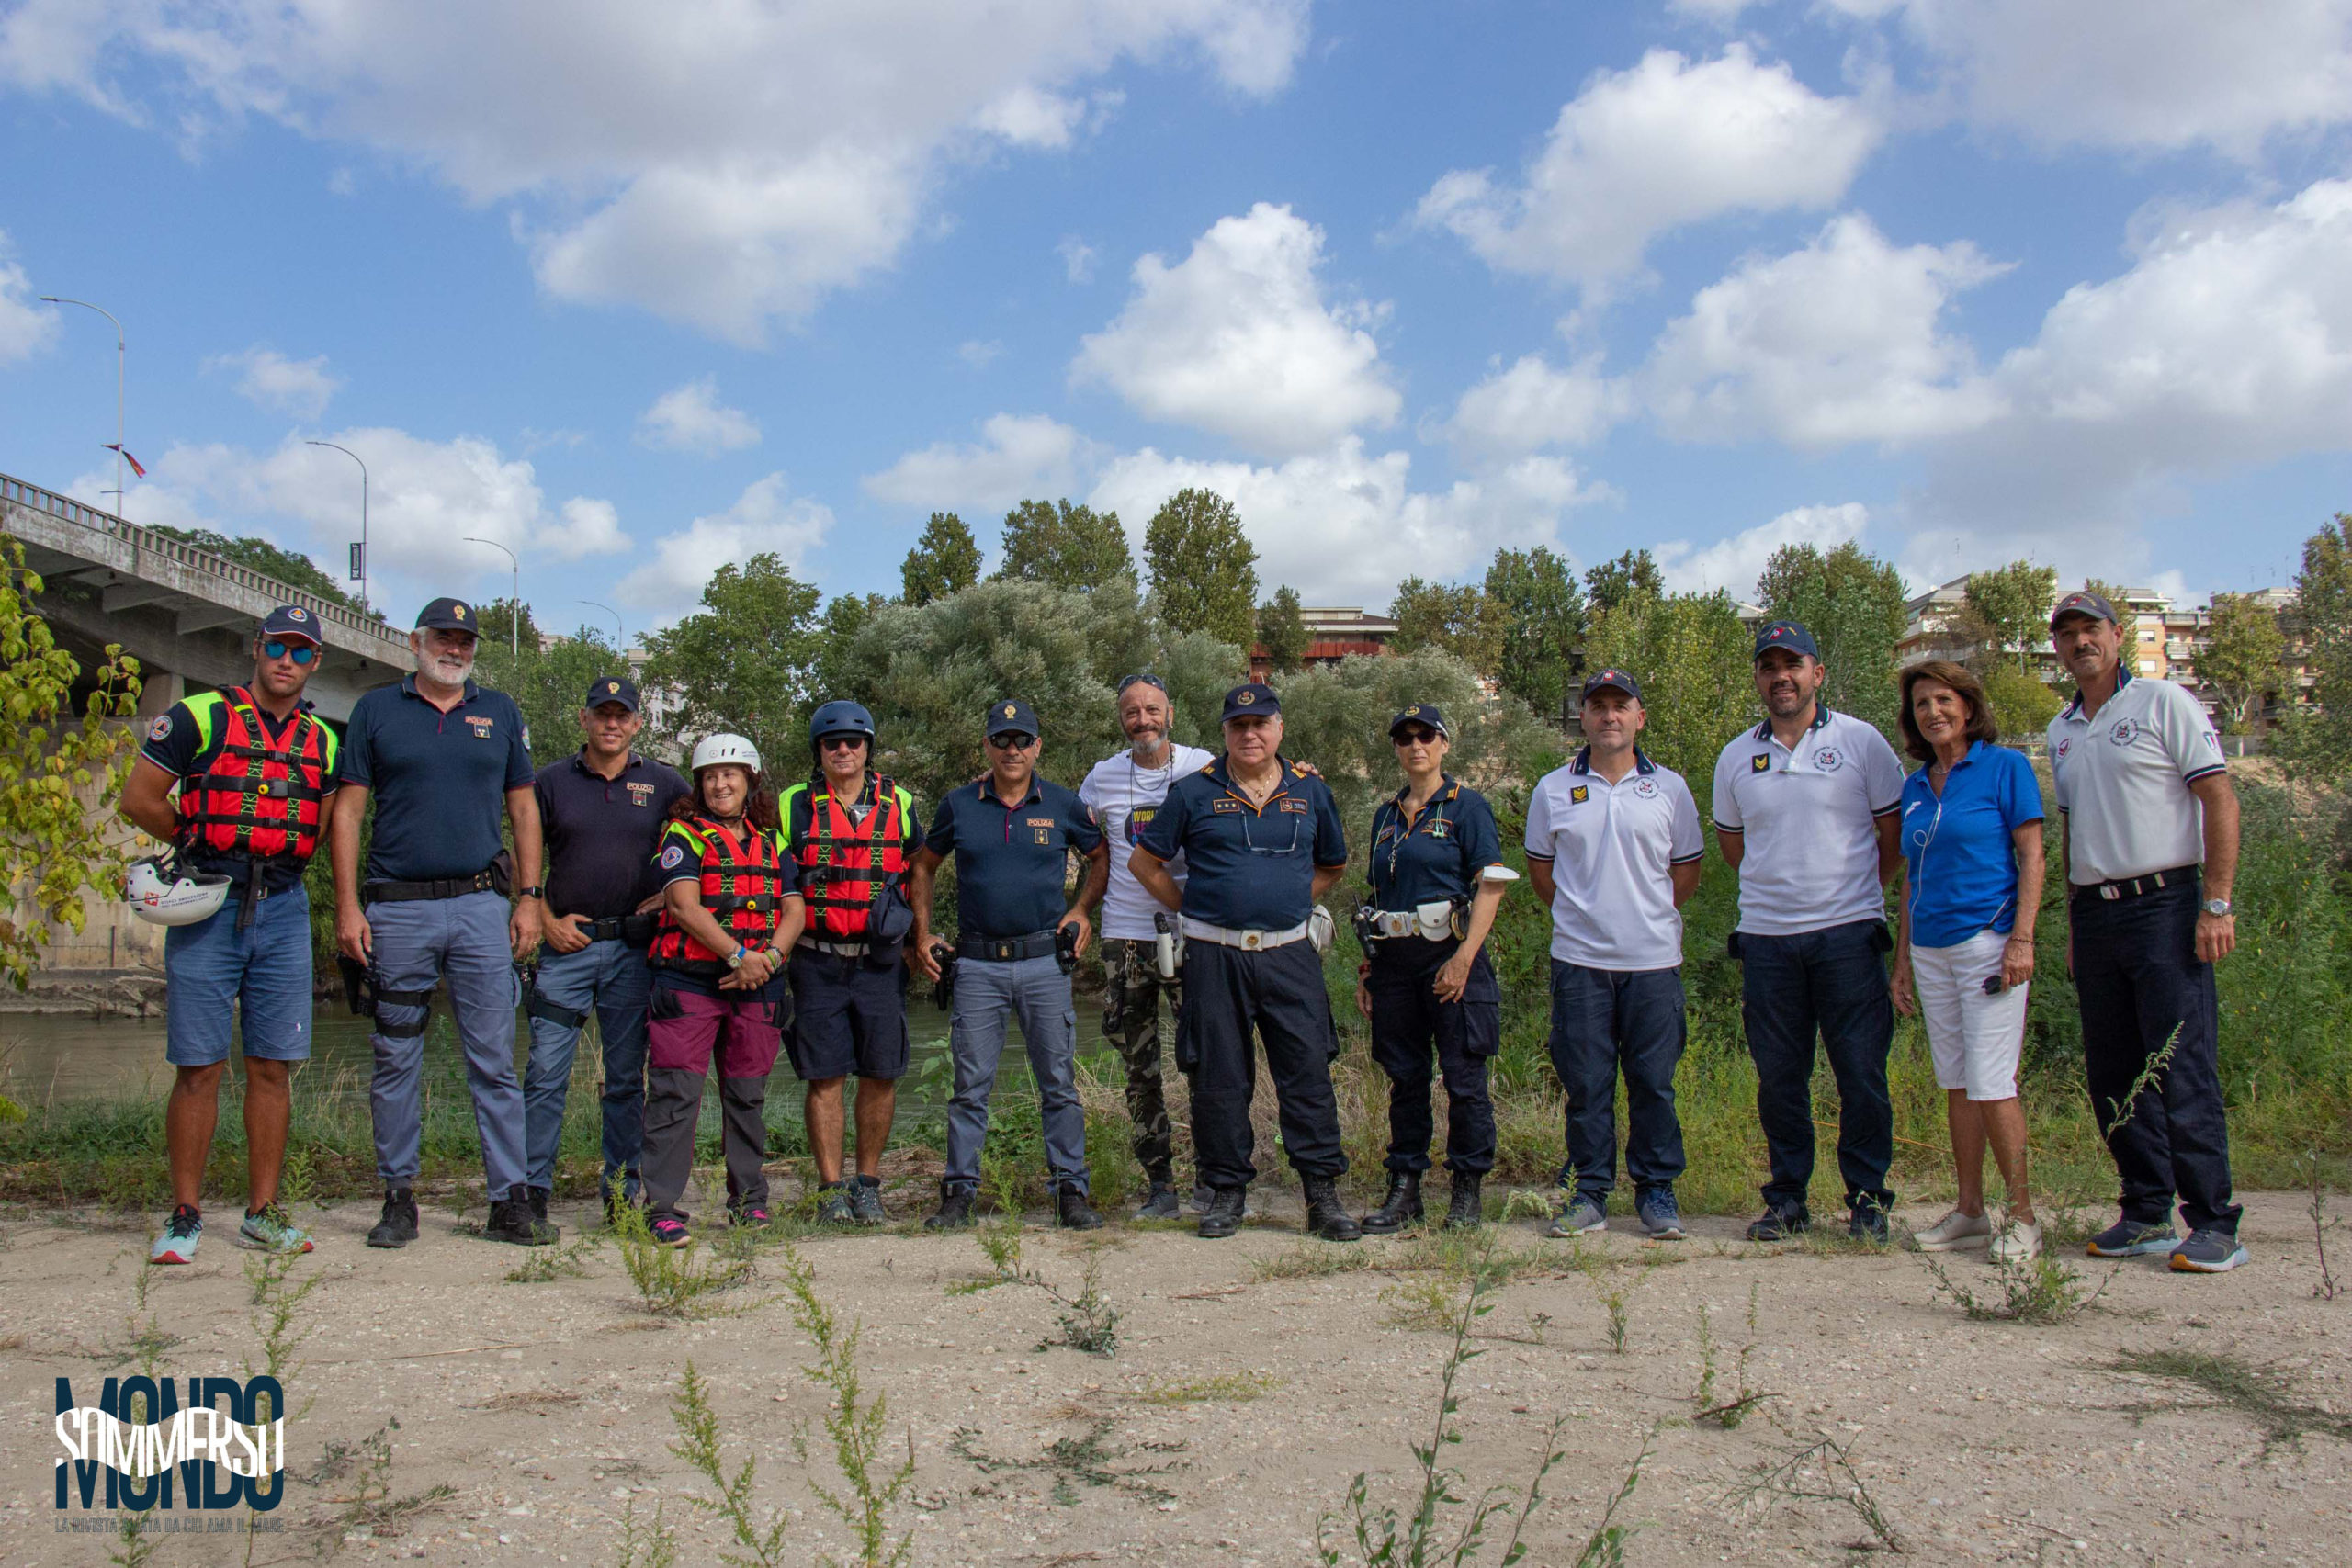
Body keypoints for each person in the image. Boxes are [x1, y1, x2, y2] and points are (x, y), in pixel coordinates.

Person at [331, 597, 553, 1248]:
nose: (454, 649)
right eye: (443, 638)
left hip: (481, 907)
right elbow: (348, 813)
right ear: (416, 641)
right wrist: (346, 906)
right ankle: (399, 1198)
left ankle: (509, 1201)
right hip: (397, 909)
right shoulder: (375, 710)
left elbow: (524, 809)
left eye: (465, 641)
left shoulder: (500, 711)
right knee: (395, 1057)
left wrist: (530, 898)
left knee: (494, 1061)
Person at [119, 606, 339, 1263]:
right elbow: (139, 798)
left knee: (272, 1066)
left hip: (283, 906)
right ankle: (185, 1215)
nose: (287, 661)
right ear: (256, 647)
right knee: (199, 1065)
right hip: (208, 903)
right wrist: (193, 840)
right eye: (278, 647)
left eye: (302, 652)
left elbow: (322, 823)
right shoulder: (199, 716)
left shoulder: (325, 740)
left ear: (316, 662)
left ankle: (261, 1213)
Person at [2046, 591, 2247, 1272]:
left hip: (2164, 901)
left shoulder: (2164, 702)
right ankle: (2146, 1209)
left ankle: (2214, 1221)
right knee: (2113, 1069)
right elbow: (2074, 827)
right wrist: (2074, 923)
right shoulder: (2062, 729)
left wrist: (2216, 903)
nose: (2080, 642)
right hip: (2096, 910)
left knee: (2179, 1061)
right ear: (2057, 647)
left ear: (2116, 633)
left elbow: (2218, 797)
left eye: (2091, 629)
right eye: (2067, 633)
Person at [1131, 682, 1359, 1243]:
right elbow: (1144, 863)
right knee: (1219, 1079)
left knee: (1307, 1074)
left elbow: (1333, 864)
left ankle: (1321, 1196)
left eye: (1260, 724)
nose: (1250, 734)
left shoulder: (1311, 791)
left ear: (1279, 728)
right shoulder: (1193, 792)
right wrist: (1196, 910)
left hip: (1290, 955)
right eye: (1239, 725)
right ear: (1225, 732)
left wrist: (1289, 901)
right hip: (1215, 957)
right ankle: (1227, 1193)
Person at [1712, 621, 1907, 1243]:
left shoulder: (1861, 741)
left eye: (1792, 665)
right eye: (1769, 667)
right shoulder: (1736, 755)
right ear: (1758, 678)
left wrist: (1852, 892)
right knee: (1779, 1078)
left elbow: (1893, 838)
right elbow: (1736, 847)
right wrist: (1781, 890)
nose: (1781, 677)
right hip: (1768, 939)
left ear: (1817, 673)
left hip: (1848, 935)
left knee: (1861, 1074)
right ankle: (1788, 1198)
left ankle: (1868, 1201)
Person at [908, 700, 1108, 1232]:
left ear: (1038, 746)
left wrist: (1081, 911)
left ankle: (1071, 1193)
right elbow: (923, 866)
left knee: (1059, 1084)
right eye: (1002, 739)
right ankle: (959, 1195)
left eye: (1022, 740)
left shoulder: (1063, 804)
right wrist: (923, 934)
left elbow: (1100, 856)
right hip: (976, 966)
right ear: (987, 746)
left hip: (1045, 962)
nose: (1012, 749)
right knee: (970, 1088)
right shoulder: (958, 805)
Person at [1527, 671, 1705, 1241]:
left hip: (1653, 962)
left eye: (1620, 706)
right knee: (1586, 1084)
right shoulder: (1552, 789)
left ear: (1639, 718)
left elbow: (1686, 870)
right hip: (1580, 961)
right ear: (1582, 718)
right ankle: (1589, 1193)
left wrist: (1645, 916)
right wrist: (1588, 918)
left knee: (1653, 1082)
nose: (1609, 716)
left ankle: (1656, 1191)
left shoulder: (1671, 788)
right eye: (1598, 706)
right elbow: (1542, 872)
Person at [1889, 661, 2046, 1263]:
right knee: (1956, 1080)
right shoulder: (1915, 786)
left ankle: (2023, 1217)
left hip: (1988, 940)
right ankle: (1970, 1211)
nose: (1933, 712)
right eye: (1922, 703)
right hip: (1931, 948)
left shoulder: (2004, 767)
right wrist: (1902, 962)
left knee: (1991, 1081)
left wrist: (2022, 938)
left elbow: (2032, 855)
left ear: (1968, 705)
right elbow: (1911, 877)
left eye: (1943, 700)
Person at [521, 676, 689, 1226]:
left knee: (624, 1081)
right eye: (602, 714)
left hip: (634, 953)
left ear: (637, 723)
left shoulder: (664, 784)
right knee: (545, 1074)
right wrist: (544, 918)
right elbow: (519, 856)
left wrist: (671, 894)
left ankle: (620, 1192)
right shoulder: (549, 782)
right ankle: (531, 1191)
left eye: (622, 715)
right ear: (584, 719)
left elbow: (705, 843)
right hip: (566, 949)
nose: (611, 724)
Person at [641, 734, 804, 1245]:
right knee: (674, 1095)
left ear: (749, 780)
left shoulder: (772, 841)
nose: (720, 784)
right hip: (689, 984)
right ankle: (661, 1208)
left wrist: (769, 960)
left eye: (730, 774)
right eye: (710, 776)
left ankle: (749, 1201)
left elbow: (794, 910)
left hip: (758, 985)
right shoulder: (683, 835)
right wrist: (738, 956)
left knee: (747, 1097)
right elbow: (683, 905)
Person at [1352, 704, 1509, 1233]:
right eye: (1405, 737)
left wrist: (1464, 959)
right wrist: (1368, 969)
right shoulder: (1385, 815)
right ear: (1396, 748)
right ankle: (1405, 1189)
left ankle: (1466, 1190)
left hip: (1451, 956)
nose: (1415, 745)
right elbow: (1378, 895)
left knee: (1464, 1080)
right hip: (1395, 962)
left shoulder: (1468, 807)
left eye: (1426, 736)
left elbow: (1491, 885)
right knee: (1405, 1079)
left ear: (1444, 744)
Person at [778, 701, 922, 1226]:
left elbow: (920, 869)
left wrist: (919, 939)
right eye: (831, 743)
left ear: (867, 748)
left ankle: (868, 1186)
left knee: (881, 1074)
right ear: (818, 751)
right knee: (826, 1077)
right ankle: (831, 1190)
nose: (843, 750)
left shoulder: (900, 802)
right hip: (815, 959)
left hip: (880, 963)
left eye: (853, 742)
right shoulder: (793, 803)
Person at [1077, 673, 1216, 1219]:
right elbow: (1073, 832)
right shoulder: (1102, 777)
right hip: (1126, 938)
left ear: (1170, 714)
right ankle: (1160, 1185)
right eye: (1132, 712)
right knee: (1140, 1069)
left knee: (1204, 1060)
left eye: (1152, 710)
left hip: (1193, 936)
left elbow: (1262, 784)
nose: (1143, 721)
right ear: (1121, 719)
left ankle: (1213, 1178)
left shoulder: (1204, 767)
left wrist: (1302, 774)